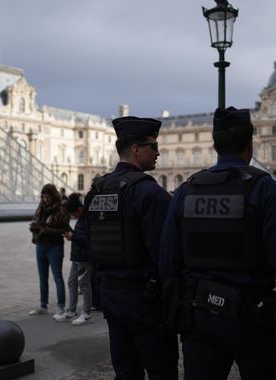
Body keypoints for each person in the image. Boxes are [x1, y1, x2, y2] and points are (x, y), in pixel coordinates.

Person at [159, 107, 276, 380]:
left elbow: (167, 260)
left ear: (214, 145)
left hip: (200, 316)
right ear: (250, 145)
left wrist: (178, 311)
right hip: (254, 318)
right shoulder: (267, 190)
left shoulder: (187, 190)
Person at [84, 116, 177, 380]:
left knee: (126, 371)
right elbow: (166, 256)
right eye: (153, 146)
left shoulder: (98, 190)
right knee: (162, 371)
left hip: (111, 295)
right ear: (136, 149)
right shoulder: (149, 193)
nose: (158, 152)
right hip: (146, 300)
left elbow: (89, 245)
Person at [29, 184, 70, 320]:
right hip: (41, 244)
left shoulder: (61, 209)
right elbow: (36, 221)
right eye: (43, 197)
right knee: (42, 277)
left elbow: (65, 229)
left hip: (55, 246)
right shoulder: (41, 207)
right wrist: (34, 227)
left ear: (53, 196)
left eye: (48, 197)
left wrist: (46, 230)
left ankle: (60, 307)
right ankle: (43, 306)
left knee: (57, 277)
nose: (45, 200)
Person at [63, 193, 94, 325]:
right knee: (71, 282)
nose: (73, 217)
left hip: (84, 257)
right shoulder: (82, 219)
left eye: (74, 214)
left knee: (84, 284)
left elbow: (88, 240)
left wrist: (73, 236)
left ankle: (86, 313)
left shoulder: (87, 219)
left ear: (80, 210)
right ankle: (71, 310)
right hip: (77, 256)